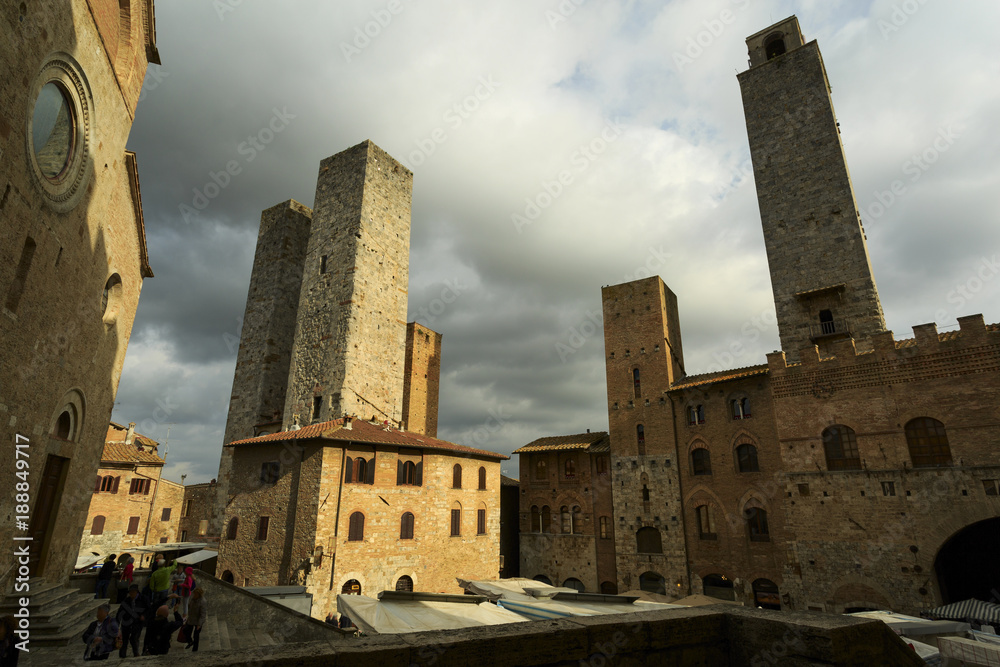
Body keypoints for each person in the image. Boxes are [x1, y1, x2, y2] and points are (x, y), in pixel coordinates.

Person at [115, 584, 148, 658]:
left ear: (136, 592)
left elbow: (148, 609)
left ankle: (136, 653)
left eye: (133, 592)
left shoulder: (143, 599)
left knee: (134, 638)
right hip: (126, 623)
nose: (131, 594)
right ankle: (122, 655)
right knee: (124, 639)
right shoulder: (126, 601)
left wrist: (144, 616)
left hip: (137, 622)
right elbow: (119, 613)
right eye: (130, 592)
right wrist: (117, 625)